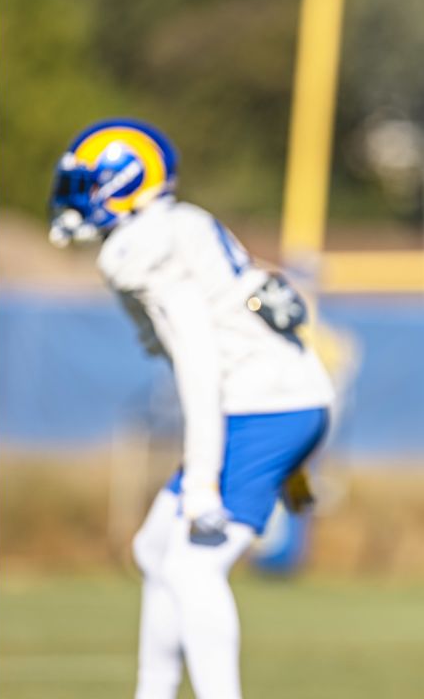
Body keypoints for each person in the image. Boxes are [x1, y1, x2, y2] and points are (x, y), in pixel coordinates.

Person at [48, 118, 335, 699]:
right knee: (156, 549)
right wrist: (295, 467)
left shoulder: (143, 246)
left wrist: (203, 481)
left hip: (262, 409)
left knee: (192, 568)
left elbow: (201, 363)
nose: (72, 199)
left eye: (86, 185)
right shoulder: (180, 223)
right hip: (277, 402)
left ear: (122, 183)